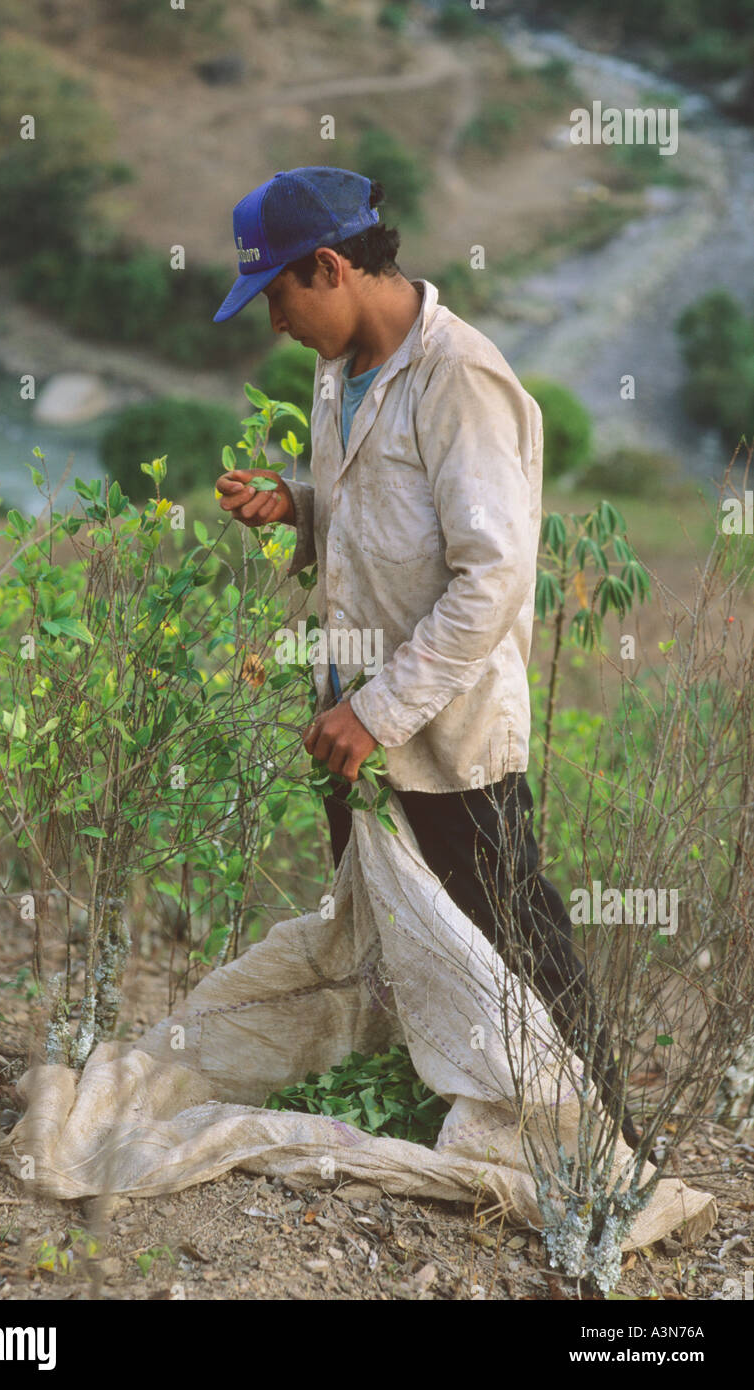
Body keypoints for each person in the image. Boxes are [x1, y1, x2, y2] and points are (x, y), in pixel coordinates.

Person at [213, 165, 641, 1152]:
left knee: (514, 943)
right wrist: (297, 505)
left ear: (329, 266)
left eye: (277, 294)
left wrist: (377, 711)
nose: (274, 322)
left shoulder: (462, 379)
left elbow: (490, 577)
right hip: (352, 719)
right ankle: (455, 1116)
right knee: (398, 946)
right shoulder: (338, 370)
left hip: (440, 731)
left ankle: (602, 1146)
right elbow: (376, 513)